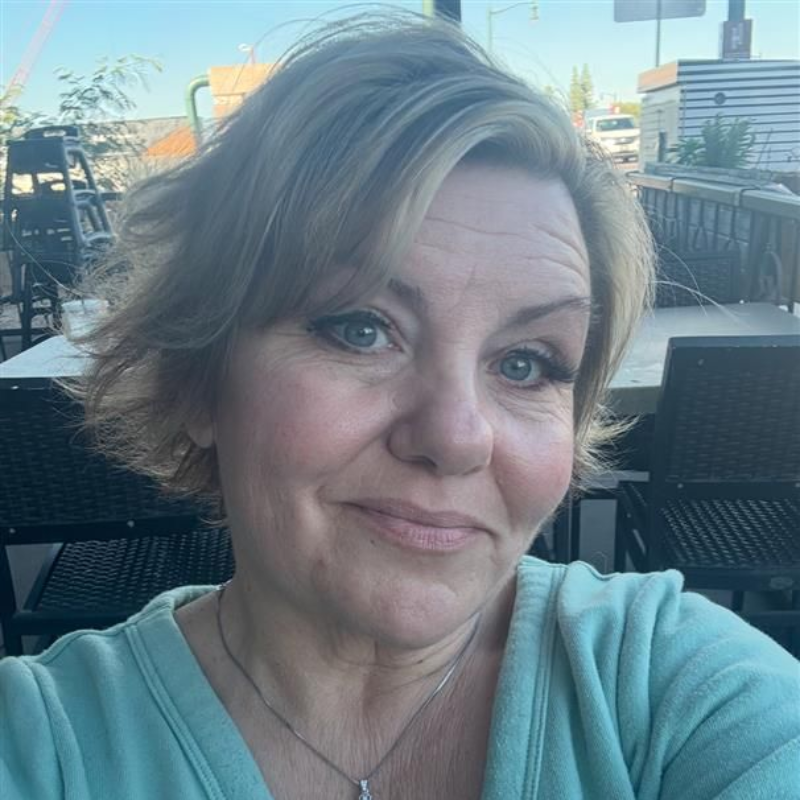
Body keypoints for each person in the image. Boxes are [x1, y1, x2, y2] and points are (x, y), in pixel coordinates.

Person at [2, 12, 798, 800]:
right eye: (360, 329)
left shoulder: (677, 686)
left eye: (527, 364)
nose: (457, 437)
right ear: (199, 378)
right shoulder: (43, 745)